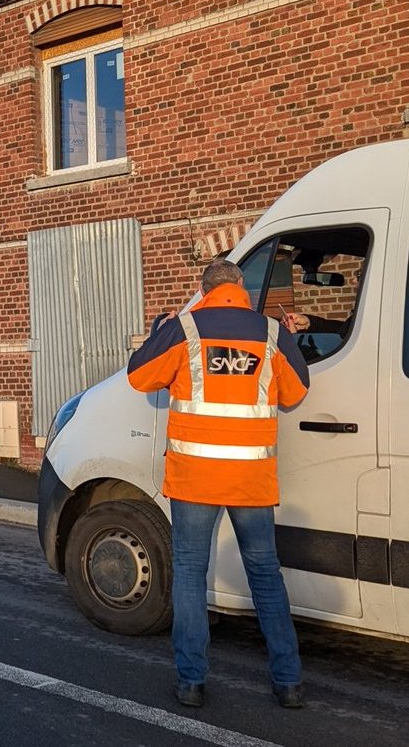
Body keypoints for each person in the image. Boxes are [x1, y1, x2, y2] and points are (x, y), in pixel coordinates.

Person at [127, 259, 310, 710]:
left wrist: (158, 329)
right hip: (250, 479)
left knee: (190, 573)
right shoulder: (269, 333)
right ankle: (288, 683)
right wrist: (291, 337)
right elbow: (296, 393)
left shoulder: (184, 329)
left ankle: (192, 682)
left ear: (202, 289)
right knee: (265, 574)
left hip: (195, 478)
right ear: (240, 288)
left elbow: (138, 376)